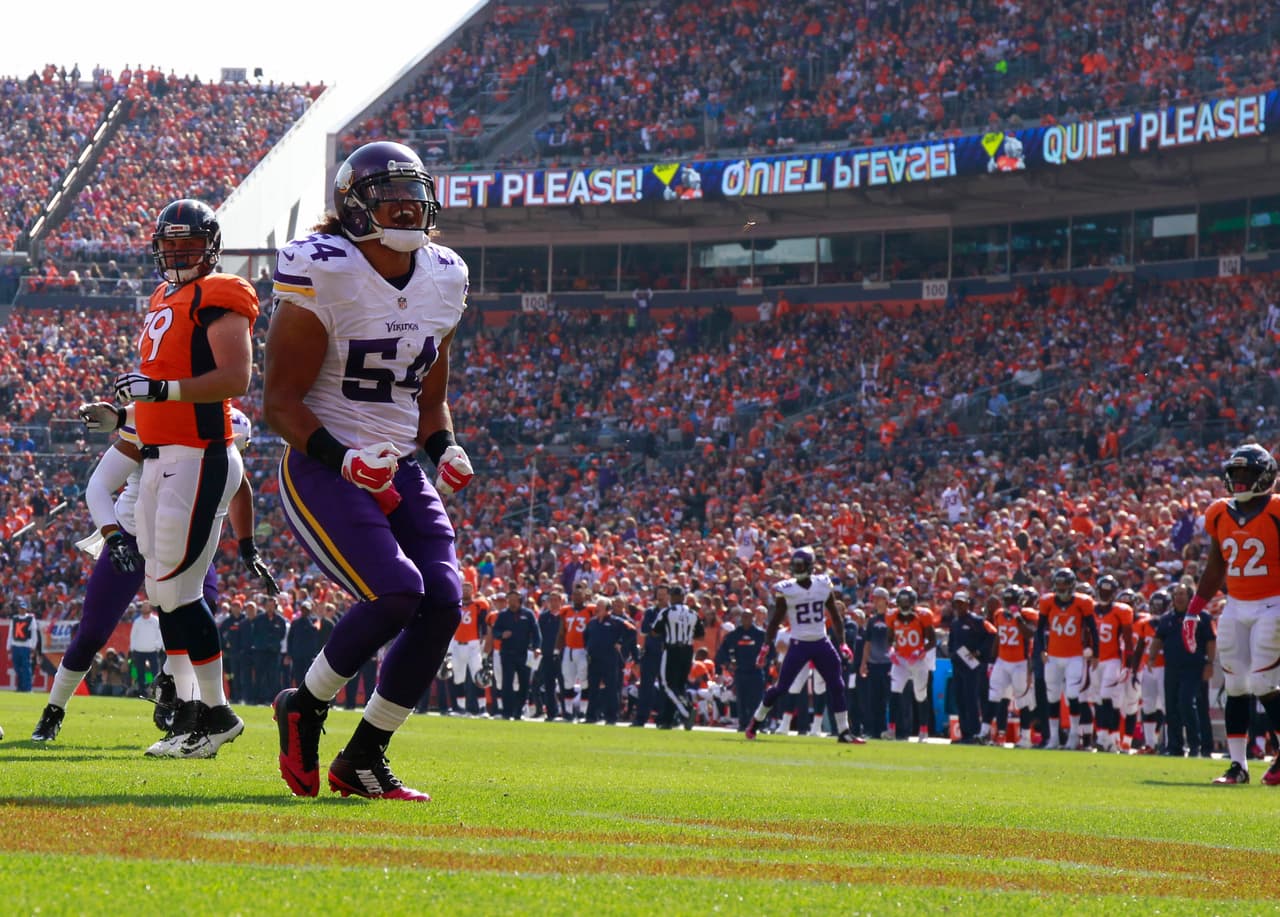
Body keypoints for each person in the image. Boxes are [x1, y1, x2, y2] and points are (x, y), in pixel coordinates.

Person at [267, 140, 472, 801]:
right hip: (324, 462)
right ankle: (304, 705)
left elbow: (429, 399)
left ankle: (363, 755)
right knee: (397, 591)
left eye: (416, 196)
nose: (408, 209)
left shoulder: (444, 275)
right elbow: (279, 402)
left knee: (443, 600)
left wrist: (445, 447)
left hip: (400, 464)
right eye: (391, 197)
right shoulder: (324, 268)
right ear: (355, 208)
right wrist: (345, 458)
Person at [90, 199, 258, 759]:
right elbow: (160, 385)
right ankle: (194, 712)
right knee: (164, 593)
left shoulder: (221, 293)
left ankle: (215, 715)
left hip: (198, 455)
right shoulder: (164, 296)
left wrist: (161, 391)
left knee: (179, 592)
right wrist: (126, 413)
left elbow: (235, 377)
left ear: (211, 247)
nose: (179, 255)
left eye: (189, 245)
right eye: (171, 245)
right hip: (160, 456)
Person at [31, 406, 275, 748]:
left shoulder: (220, 443)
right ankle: (54, 709)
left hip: (181, 537)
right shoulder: (157, 425)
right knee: (94, 631)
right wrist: (113, 536)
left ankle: (179, 690)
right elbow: (98, 484)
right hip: (133, 535)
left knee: (201, 605)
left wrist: (248, 546)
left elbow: (240, 487)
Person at [1192, 444, 1280, 785]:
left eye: (1248, 473)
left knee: (1262, 681)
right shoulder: (1218, 512)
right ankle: (1238, 766)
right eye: (1236, 473)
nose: (1240, 480)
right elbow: (1215, 567)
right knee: (1236, 685)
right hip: (1235, 604)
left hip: (1273, 602)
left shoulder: (1276, 508)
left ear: (1266, 476)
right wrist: (1194, 610)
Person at [743, 548, 863, 744]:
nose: (797, 569)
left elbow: (835, 615)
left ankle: (844, 731)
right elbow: (775, 621)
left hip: (821, 642)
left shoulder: (822, 584)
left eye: (800, 565)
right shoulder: (787, 589)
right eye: (795, 565)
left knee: (837, 684)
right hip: (799, 644)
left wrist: (842, 643)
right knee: (781, 687)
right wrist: (765, 647)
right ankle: (755, 722)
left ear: (809, 566)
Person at [1150, 582, 1216, 759]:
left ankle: (1196, 744)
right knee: (1171, 706)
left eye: (1182, 594)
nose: (1178, 597)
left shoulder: (1202, 617)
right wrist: (1151, 657)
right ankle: (1175, 746)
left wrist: (1210, 663)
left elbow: (1211, 641)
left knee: (1188, 703)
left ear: (1190, 597)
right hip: (1172, 668)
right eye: (1176, 594)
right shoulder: (1167, 618)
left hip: (1194, 668)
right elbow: (1158, 638)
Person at [1036, 568, 1097, 750]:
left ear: (1071, 585)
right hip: (1053, 656)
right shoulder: (1047, 602)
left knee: (1072, 695)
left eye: (1064, 584)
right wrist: (1042, 650)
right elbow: (1040, 629)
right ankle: (1054, 738)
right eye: (1059, 584)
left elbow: (1093, 629)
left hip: (1074, 656)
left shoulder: (1082, 602)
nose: (1061, 588)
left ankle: (1073, 736)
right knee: (1052, 697)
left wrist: (1096, 653)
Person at [985, 584, 1038, 748]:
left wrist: (1018, 617)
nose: (1009, 604)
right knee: (995, 696)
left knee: (1023, 700)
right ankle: (986, 733)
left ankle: (1025, 737)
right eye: (1006, 600)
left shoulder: (1027, 615)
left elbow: (1029, 634)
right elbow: (998, 638)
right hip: (1002, 661)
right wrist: (992, 660)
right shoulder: (999, 614)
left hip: (1020, 662)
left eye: (1012, 600)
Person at [885, 586, 936, 741]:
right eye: (902, 601)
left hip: (918, 659)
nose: (904, 605)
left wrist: (921, 650)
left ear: (913, 602)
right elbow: (890, 637)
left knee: (920, 695)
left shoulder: (923, 615)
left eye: (907, 602)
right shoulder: (892, 615)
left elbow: (932, 640)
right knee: (895, 692)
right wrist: (891, 650)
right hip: (901, 659)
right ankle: (891, 730)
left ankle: (923, 731)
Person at [653, 584, 703, 729]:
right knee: (679, 686)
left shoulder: (667, 612)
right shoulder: (693, 613)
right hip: (687, 651)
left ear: (672, 597)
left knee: (667, 684)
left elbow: (654, 631)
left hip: (672, 650)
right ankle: (668, 720)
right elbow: (700, 635)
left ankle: (687, 711)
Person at [484, 589, 540, 719]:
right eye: (510, 600)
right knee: (507, 683)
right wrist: (501, 635)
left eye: (515, 600)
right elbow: (495, 631)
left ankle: (519, 711)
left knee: (524, 683)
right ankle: (507, 712)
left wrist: (537, 647)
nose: (512, 603)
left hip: (524, 653)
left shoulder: (528, 614)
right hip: (507, 653)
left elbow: (536, 632)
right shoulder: (503, 615)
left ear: (520, 601)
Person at [716, 605, 767, 731]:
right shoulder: (734, 635)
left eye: (748, 617)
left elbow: (770, 650)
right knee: (741, 699)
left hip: (756, 672)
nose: (746, 620)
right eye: (744, 617)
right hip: (740, 672)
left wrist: (765, 660)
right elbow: (722, 652)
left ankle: (759, 725)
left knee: (757, 699)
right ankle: (743, 724)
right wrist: (728, 663)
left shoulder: (760, 634)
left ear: (753, 618)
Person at [630, 583, 669, 727]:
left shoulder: (672, 612)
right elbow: (645, 630)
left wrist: (656, 629)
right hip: (651, 652)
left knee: (666, 687)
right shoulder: (650, 611)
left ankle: (665, 718)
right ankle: (641, 718)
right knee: (645, 687)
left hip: (667, 653)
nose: (661, 597)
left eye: (663, 594)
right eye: (659, 594)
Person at [128, 604, 165, 696]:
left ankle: (156, 691)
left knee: (155, 672)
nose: (144, 608)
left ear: (150, 608)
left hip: (152, 650)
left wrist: (158, 646)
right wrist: (132, 648)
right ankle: (142, 692)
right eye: (143, 607)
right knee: (140, 673)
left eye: (146, 606)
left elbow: (160, 634)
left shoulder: (155, 620)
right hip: (139, 650)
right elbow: (133, 636)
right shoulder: (137, 621)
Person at [7, 600, 38, 692]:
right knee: (17, 668)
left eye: (23, 608)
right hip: (15, 645)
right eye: (20, 608)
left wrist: (33, 646)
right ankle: (20, 687)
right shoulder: (14, 619)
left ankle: (28, 688)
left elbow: (34, 634)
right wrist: (8, 646)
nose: (22, 610)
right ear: (18, 609)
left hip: (25, 646)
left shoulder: (30, 619)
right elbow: (10, 633)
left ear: (26, 609)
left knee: (26, 667)